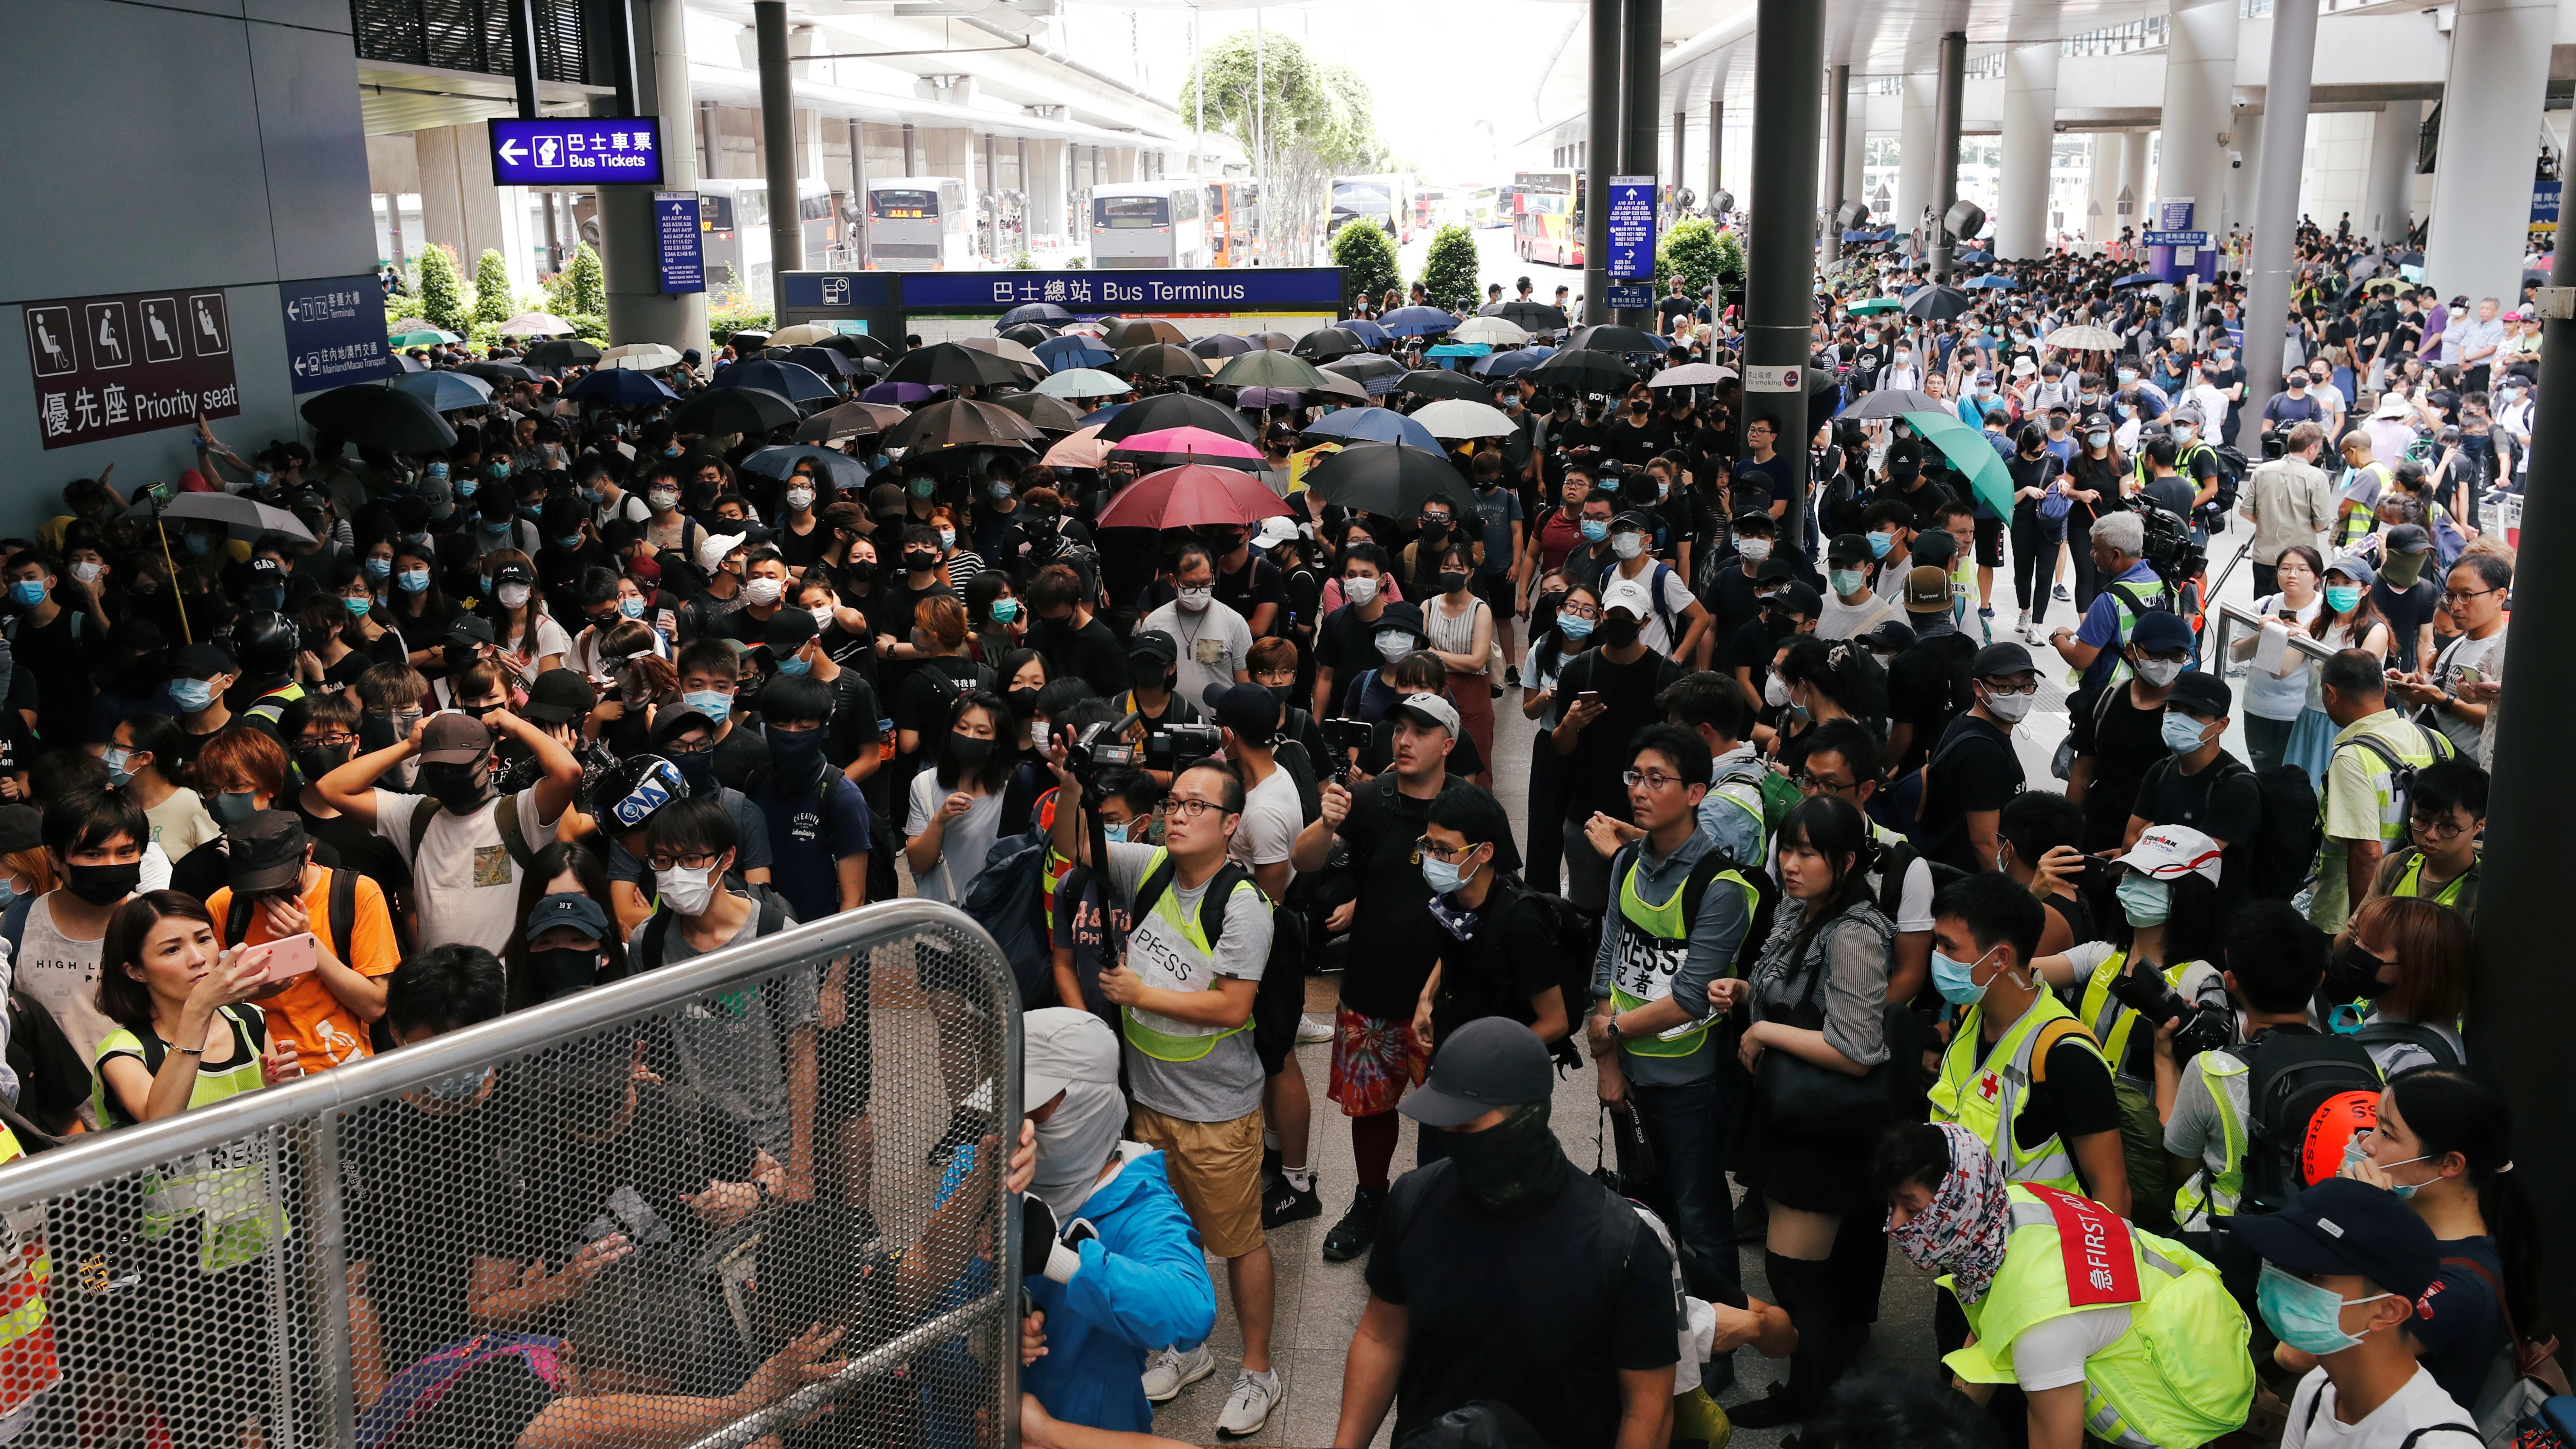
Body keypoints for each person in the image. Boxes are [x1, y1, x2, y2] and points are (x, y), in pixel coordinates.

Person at [1043, 750, 1281, 1436]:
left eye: (1196, 805)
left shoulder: (1243, 904)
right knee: (1163, 1233)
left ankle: (1259, 1369)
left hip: (1217, 1108)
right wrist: (1072, 781)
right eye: (1173, 801)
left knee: (1238, 1240)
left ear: (1231, 823)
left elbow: (1235, 1007)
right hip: (1148, 1100)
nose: (1178, 814)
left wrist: (1140, 993)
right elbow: (1070, 846)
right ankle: (1188, 1347)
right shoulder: (1147, 867)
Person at [1332, 1018, 1680, 1449]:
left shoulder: (1623, 1245)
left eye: (1467, 1125)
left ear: (1529, 1118)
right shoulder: (1414, 1200)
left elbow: (1648, 1410)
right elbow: (1381, 1337)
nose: (1451, 1140)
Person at [1881, 1123, 2254, 1449]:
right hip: (2199, 1343)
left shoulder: (2041, 1326)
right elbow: (1989, 1325)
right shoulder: (2016, 1203)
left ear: (1960, 1205)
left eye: (1912, 1210)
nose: (1894, 1225)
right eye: (1893, 1205)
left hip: (2182, 1415)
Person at [1290, 693, 1503, 1266]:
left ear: (1449, 744)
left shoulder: (1472, 808)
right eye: (1401, 729)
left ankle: (1439, 1210)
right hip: (1371, 989)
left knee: (1450, 1117)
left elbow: (1497, 898)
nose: (1405, 741)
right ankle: (1371, 1201)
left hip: (1448, 1001)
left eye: (1422, 732)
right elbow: (1305, 861)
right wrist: (1325, 822)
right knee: (1370, 1110)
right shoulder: (1367, 799)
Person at [1709, 794, 1892, 1425]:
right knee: (1803, 1274)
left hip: (1823, 1128)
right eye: (1787, 848)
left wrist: (1763, 1034)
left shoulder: (1856, 934)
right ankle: (1815, 1395)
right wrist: (1746, 995)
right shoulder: (1803, 907)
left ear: (1845, 861)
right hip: (1788, 1114)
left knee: (1795, 1276)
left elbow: (1859, 1047)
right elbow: (1795, 997)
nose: (1790, 863)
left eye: (1807, 853)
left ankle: (1818, 1410)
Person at [1586, 726, 1755, 1307]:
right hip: (1630, 1073)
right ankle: (1658, 1325)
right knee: (1644, 1208)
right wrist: (1609, 1066)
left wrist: (1610, 1033)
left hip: (1691, 1082)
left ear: (1696, 793)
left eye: (1657, 779)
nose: (1639, 790)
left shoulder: (1721, 886)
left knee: (1701, 1215)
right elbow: (1609, 954)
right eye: (1635, 777)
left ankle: (1722, 1343)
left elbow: (1690, 997)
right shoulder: (1628, 862)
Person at [1018, 1006, 1221, 1435]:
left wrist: (1063, 1261)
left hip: (1091, 1428)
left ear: (1086, 1104)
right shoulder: (982, 1162)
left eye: (1033, 1108)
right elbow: (919, 1291)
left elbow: (1192, 1308)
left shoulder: (1141, 1205)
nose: (1017, 1125)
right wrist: (988, 1337)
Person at [2333, 1068, 2546, 1411]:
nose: (2367, 1144)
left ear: (2450, 1164)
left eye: (2387, 1134)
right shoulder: (2412, 1235)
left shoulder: (2461, 1286)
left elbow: (2298, 1351)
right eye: (2374, 1125)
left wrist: (2361, 1221)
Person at [2155, 899, 2362, 1232]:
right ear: (2320, 979)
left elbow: (2179, 1164)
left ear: (2231, 981)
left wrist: (2164, 1060)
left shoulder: (2214, 1069)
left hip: (2227, 1243)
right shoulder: (2358, 1059)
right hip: (2329, 1236)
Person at [2236, 1178, 2478, 1449]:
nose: (2280, 1281)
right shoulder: (2317, 1390)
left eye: (2309, 1274)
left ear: (2387, 1312)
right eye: (2276, 1263)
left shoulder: (2440, 1444)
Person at [317, 709, 578, 954]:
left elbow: (568, 772)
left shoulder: (520, 814)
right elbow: (332, 788)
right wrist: (409, 745)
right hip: (443, 988)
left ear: (492, 764)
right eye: (436, 766)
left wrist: (519, 725)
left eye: (458, 766)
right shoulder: (414, 817)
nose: (446, 775)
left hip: (510, 987)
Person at [201, 810, 401, 1075]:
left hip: (342, 1067)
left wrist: (308, 944)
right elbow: (207, 1002)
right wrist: (254, 992)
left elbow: (376, 1006)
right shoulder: (225, 906)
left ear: (307, 856)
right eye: (256, 887)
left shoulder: (355, 894)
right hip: (263, 1071)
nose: (268, 893)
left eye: (281, 880)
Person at [91, 890, 299, 1127]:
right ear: (135, 971)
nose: (198, 958)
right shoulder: (124, 1050)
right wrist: (199, 1009)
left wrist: (283, 1096)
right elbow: (160, 1128)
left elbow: (289, 1136)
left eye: (203, 939)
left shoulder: (249, 1020)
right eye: (172, 950)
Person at [1546, 576, 1685, 912]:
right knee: (1587, 913)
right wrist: (1570, 724)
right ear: (1602, 616)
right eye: (1613, 615)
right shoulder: (1579, 671)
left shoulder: (1667, 676)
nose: (1619, 624)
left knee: (1644, 912)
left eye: (1629, 618)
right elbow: (1562, 747)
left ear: (1645, 623)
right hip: (1589, 816)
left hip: (1646, 822)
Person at [2309, 649, 2452, 936]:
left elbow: (2367, 855)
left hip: (2355, 913)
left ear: (2330, 694)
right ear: (2385, 687)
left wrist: (2363, 930)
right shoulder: (2435, 741)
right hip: (2425, 903)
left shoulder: (2353, 757)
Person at [2127, 671, 2263, 910]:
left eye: (2194, 713)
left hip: (2206, 919)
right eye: (2173, 707)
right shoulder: (2161, 770)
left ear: (2222, 724)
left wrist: (2148, 835)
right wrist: (2163, 840)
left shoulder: (2236, 787)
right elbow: (2129, 843)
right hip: (2152, 907)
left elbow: (2191, 868)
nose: (2179, 718)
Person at [2065, 610, 2191, 854]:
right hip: (2098, 829)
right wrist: (2067, 831)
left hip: (2155, 842)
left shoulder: (2188, 715)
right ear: (2132, 651)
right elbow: (2082, 773)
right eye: (2156, 654)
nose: (2166, 664)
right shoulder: (2107, 699)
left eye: (2177, 656)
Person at [1915, 643, 2035, 876]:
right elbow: (1984, 844)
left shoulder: (1966, 720)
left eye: (2027, 686)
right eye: (2005, 688)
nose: (2018, 697)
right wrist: (2010, 898)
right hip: (1969, 879)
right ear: (1978, 688)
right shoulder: (1982, 754)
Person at [2044, 511, 2167, 706]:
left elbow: (2080, 659)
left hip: (2114, 697)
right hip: (2150, 691)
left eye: (2096, 549)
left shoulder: (2109, 601)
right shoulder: (2159, 582)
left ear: (2115, 555)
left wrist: (2058, 637)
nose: (2092, 554)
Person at [2390, 554, 2507, 757]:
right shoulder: (2456, 645)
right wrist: (2415, 690)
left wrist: (2444, 701)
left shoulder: (2503, 653)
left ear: (2499, 597)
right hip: (2427, 758)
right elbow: (2428, 707)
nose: (2455, 607)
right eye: (2450, 596)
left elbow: (2497, 720)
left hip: (2462, 773)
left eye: (2466, 596)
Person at [2336, 896, 2471, 1074]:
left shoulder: (2416, 1062)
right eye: (2358, 938)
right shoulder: (2379, 1008)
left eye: (2369, 946)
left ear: (2415, 969)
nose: (2355, 950)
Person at [2234, 546, 2326, 773]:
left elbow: (2284, 670)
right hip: (2258, 706)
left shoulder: (2324, 612)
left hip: (2298, 712)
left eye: (2301, 569)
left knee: (2293, 779)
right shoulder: (2265, 605)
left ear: (2317, 577)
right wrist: (2265, 632)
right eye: (2285, 568)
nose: (2292, 575)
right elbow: (2236, 654)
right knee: (2264, 775)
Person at [2356, 756, 2483, 922]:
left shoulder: (2485, 892)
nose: (2431, 835)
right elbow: (2341, 944)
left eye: (2449, 827)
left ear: (2478, 826)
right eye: (2422, 821)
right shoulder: (2396, 866)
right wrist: (2354, 930)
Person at [1140, 543, 1252, 706]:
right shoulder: (1154, 623)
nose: (1199, 591)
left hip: (1218, 725)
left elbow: (1245, 685)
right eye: (1190, 586)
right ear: (1173, 581)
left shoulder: (1234, 623)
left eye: (1205, 583)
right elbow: (1146, 679)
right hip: (1169, 725)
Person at [2240, 424, 2336, 598]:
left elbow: (2246, 511)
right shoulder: (2317, 477)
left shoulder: (2261, 471)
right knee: (2298, 612)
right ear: (2312, 448)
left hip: (2265, 556)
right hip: (2301, 561)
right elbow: (2322, 523)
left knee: (2265, 610)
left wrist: (2267, 522)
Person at [107, 712, 220, 861]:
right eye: (111, 745)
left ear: (145, 758)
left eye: (118, 746)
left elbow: (215, 863)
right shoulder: (112, 802)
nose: (109, 752)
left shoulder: (190, 803)